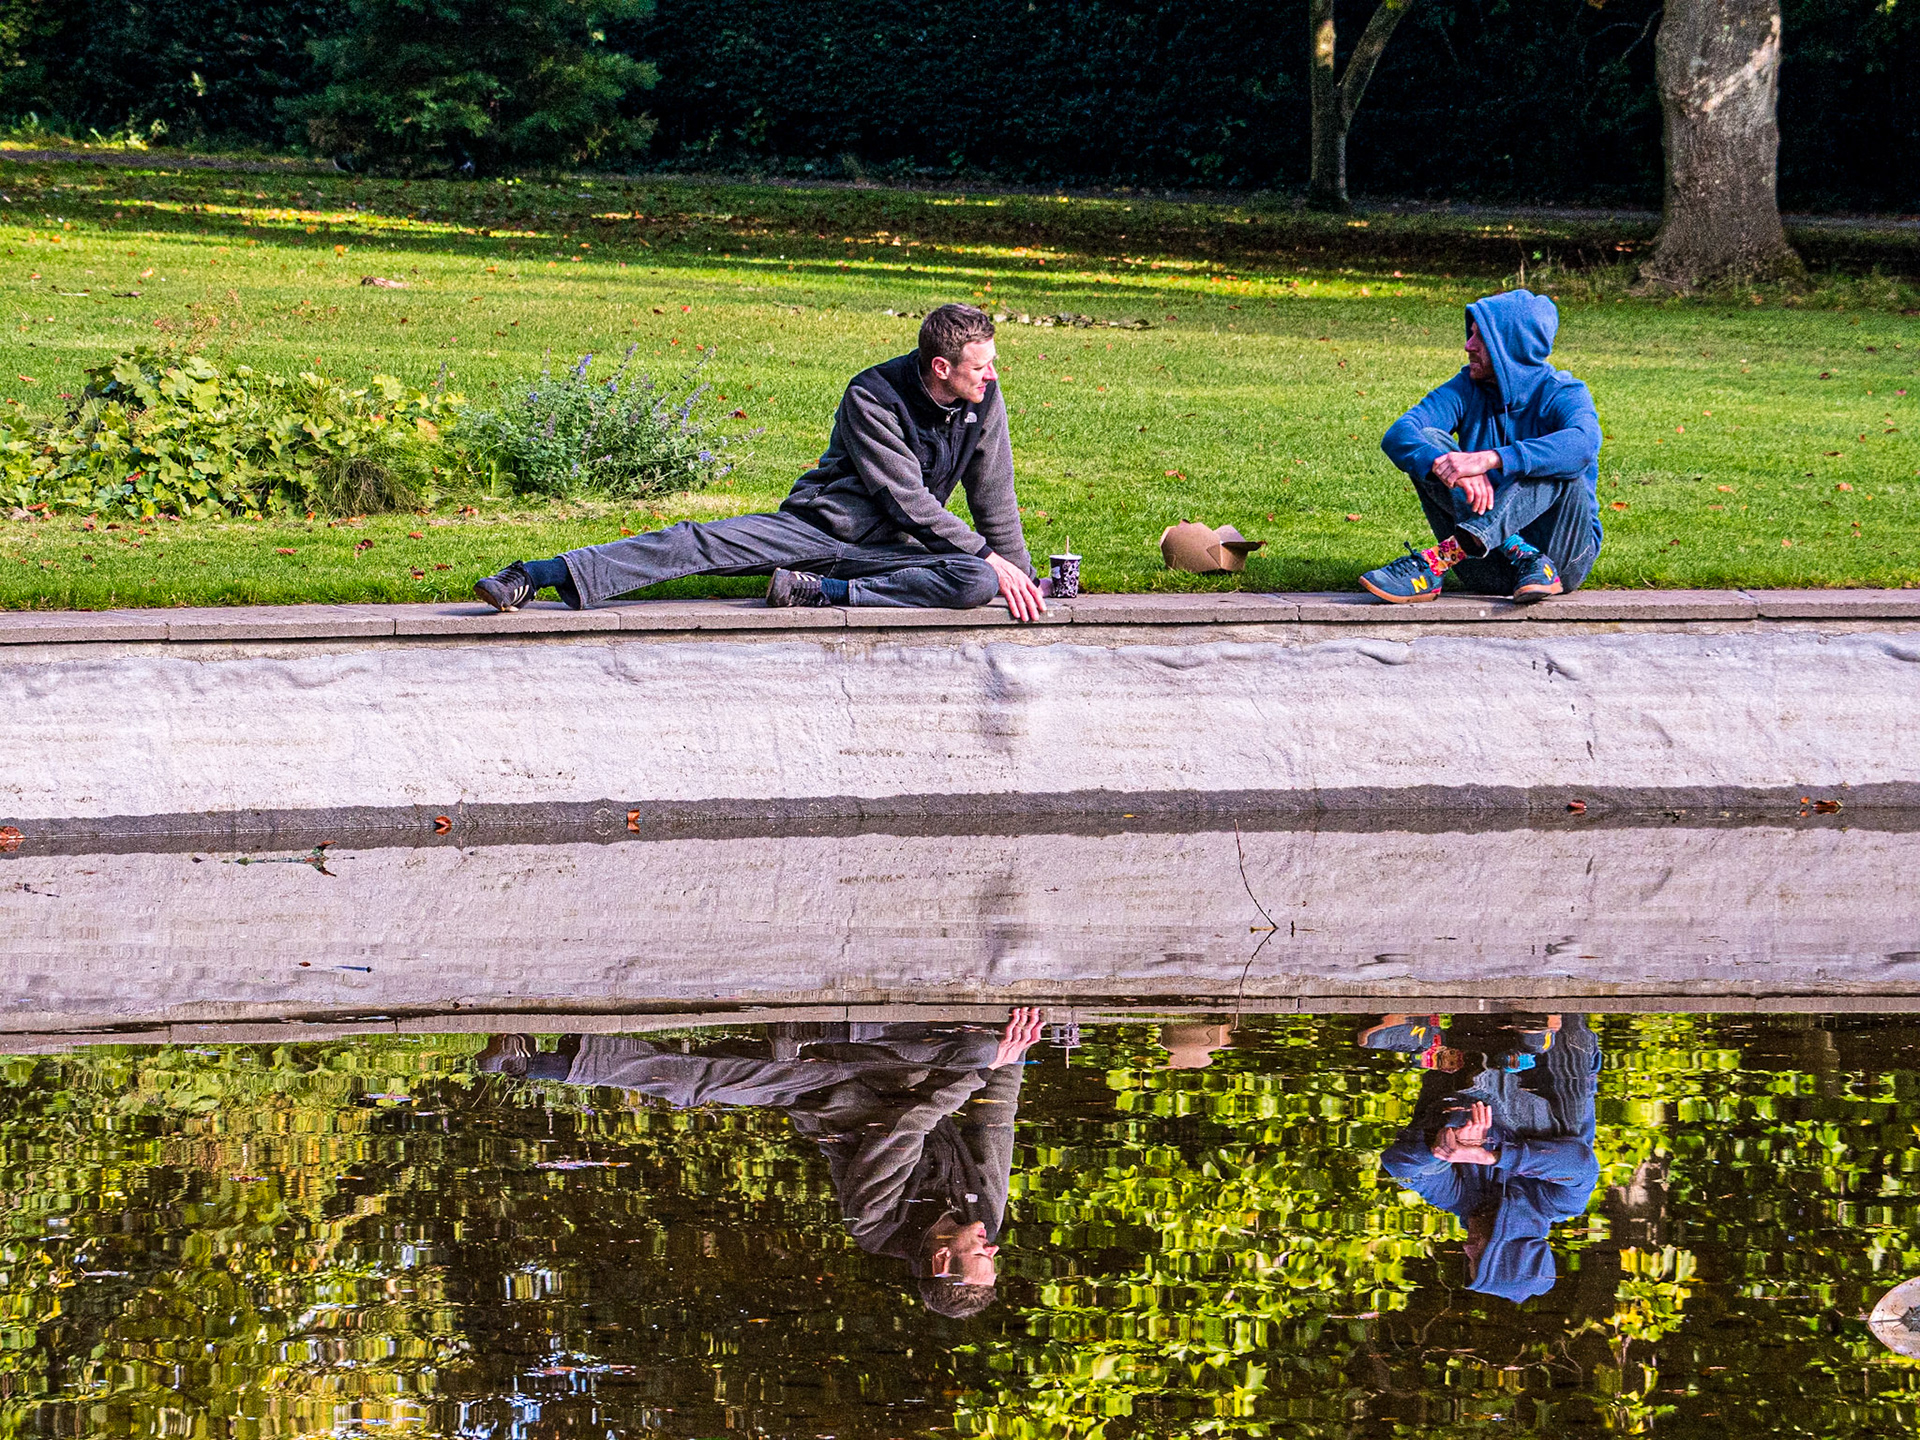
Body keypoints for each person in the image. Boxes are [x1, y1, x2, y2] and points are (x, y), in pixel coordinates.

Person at [472, 304, 1047, 621]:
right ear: (942, 367)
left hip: (892, 553)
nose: (993, 375)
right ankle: (535, 575)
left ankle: (820, 594)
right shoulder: (872, 395)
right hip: (817, 528)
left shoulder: (982, 400)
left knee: (974, 579)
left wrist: (1017, 576)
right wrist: (990, 556)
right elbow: (905, 499)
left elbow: (993, 493)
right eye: (981, 366)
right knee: (696, 543)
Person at [474, 1008, 1047, 1318]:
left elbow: (902, 1129)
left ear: (943, 1256)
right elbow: (996, 1125)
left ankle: (533, 1064)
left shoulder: (875, 1223)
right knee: (984, 1047)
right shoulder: (984, 1217)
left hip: (833, 1094)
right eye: (991, 1255)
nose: (992, 1246)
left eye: (981, 1257)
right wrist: (1015, 1053)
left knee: (703, 1082)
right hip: (910, 1083)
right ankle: (555, 1051)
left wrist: (978, 1068)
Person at [1363, 288, 1602, 604]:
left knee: (1559, 458)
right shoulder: (1466, 388)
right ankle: (1518, 551)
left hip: (1559, 563)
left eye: (1480, 338)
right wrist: (1443, 463)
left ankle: (1439, 559)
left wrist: (1492, 459)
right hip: (1484, 567)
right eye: (1470, 335)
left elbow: (1583, 444)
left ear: (1510, 345)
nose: (1467, 345)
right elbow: (1400, 433)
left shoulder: (1563, 393)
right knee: (1432, 446)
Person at [1373, 1012, 1601, 1304]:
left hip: (1471, 1060)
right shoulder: (1558, 1204)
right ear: (1505, 1248)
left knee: (1445, 1128)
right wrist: (1489, 1156)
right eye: (1477, 1255)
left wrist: (1443, 1147)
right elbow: (1580, 1165)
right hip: (1557, 1059)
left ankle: (1425, 1040)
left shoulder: (1460, 1201)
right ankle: (1533, 1042)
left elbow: (1399, 1167)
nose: (1467, 1248)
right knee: (1564, 1137)